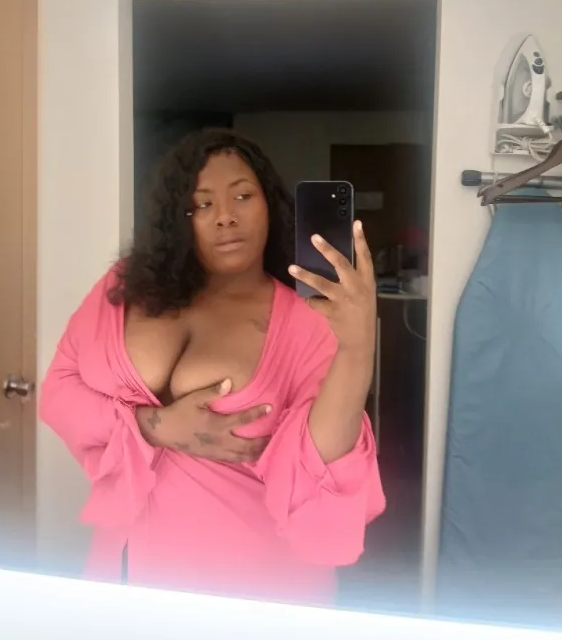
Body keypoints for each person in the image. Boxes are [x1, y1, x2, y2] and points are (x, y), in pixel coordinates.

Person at [39, 128, 385, 606]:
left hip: (250, 586)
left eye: (242, 196)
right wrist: (153, 425)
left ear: (270, 205)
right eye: (202, 204)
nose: (225, 217)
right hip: (123, 571)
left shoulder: (306, 320)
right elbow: (59, 391)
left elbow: (321, 463)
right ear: (178, 219)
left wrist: (358, 346)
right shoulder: (124, 289)